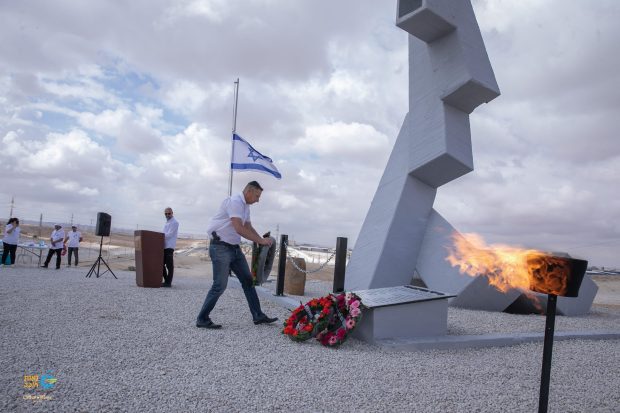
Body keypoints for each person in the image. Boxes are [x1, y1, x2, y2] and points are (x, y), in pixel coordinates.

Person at [196, 181, 278, 329]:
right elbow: (239, 228)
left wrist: (261, 240)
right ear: (249, 192)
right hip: (220, 247)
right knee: (219, 285)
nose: (258, 200)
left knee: (248, 281)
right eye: (257, 196)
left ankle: (258, 315)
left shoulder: (245, 206)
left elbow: (248, 227)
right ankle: (202, 318)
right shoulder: (235, 202)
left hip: (234, 248)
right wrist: (260, 240)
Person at [162, 207, 179, 287]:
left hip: (169, 246)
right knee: (161, 264)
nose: (167, 215)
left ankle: (168, 283)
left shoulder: (175, 222)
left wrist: (160, 236)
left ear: (172, 213)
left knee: (169, 266)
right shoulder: (167, 222)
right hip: (164, 246)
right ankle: (166, 281)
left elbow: (170, 234)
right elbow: (165, 234)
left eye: (169, 213)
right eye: (166, 214)